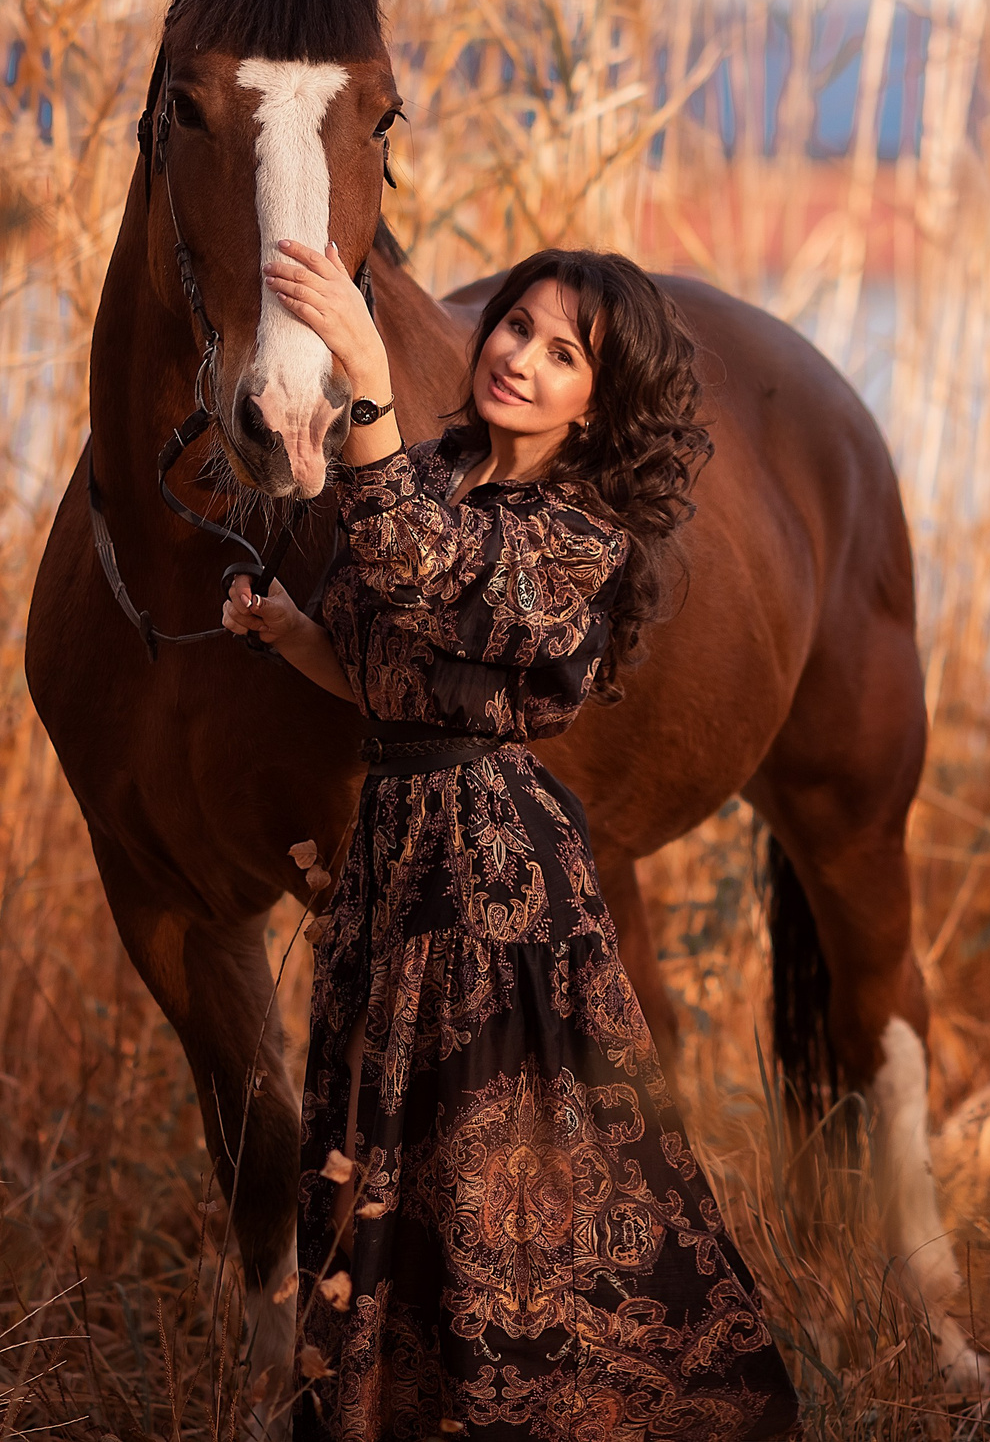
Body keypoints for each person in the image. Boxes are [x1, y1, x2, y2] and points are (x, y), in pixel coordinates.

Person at [223, 243, 801, 1441]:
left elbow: (429, 572)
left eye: (562, 352)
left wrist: (366, 374)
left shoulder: (583, 533)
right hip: (389, 861)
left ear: (600, 398)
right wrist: (288, 632)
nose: (520, 357)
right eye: (516, 325)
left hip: (495, 882)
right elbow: (391, 660)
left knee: (501, 1193)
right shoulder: (433, 469)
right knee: (375, 1167)